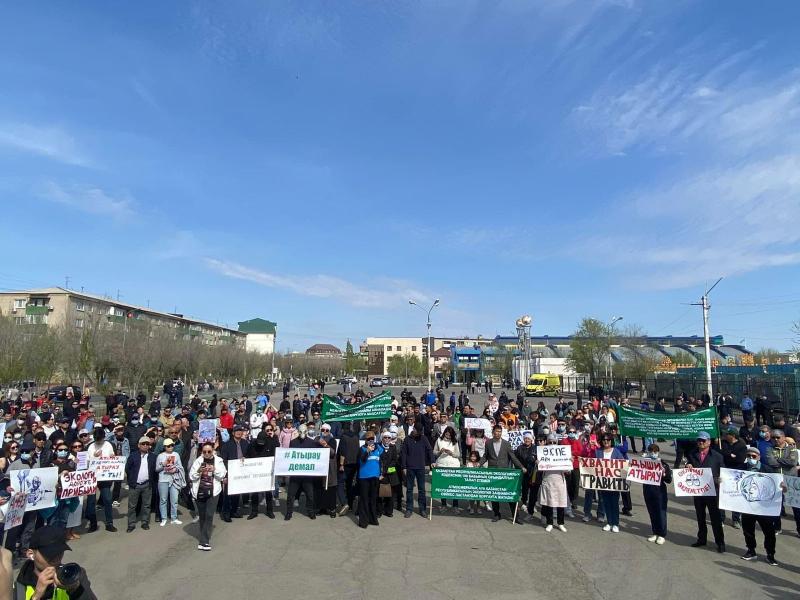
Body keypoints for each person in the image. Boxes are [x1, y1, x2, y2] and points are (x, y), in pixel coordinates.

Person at [14, 525, 97, 599]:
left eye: (60, 552)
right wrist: (36, 596)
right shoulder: (19, 588)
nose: (56, 559)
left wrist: (75, 589)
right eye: (49, 554)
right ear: (31, 554)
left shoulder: (75, 575)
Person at [739, 446, 783, 566]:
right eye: (748, 456)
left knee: (769, 532)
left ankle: (770, 555)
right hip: (747, 506)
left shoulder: (768, 470)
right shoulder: (741, 469)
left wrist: (782, 486)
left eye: (753, 456)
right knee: (748, 530)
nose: (751, 458)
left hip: (764, 508)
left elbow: (777, 486)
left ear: (759, 457)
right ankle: (751, 551)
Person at [686, 431, 725, 553]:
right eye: (699, 441)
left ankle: (720, 543)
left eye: (703, 441)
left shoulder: (717, 456)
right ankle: (702, 539)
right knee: (700, 516)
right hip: (698, 491)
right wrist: (688, 465)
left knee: (715, 519)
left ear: (709, 442)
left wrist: (720, 480)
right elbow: (689, 464)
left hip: (713, 491)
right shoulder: (692, 454)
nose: (701, 443)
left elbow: (723, 472)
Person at [480, 425, 526, 523]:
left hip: (505, 473)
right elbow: (485, 456)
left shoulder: (506, 444)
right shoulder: (488, 443)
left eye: (500, 431)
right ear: (493, 432)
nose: (498, 433)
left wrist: (521, 467)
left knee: (509, 495)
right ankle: (497, 514)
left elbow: (513, 457)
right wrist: (478, 464)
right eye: (496, 431)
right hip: (493, 472)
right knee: (494, 494)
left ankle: (515, 516)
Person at [189, 442, 226, 551]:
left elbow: (222, 475)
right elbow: (191, 476)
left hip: (213, 492)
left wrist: (214, 470)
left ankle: (204, 541)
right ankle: (203, 537)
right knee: (203, 516)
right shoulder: (198, 461)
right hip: (200, 491)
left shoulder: (218, 461)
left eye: (209, 451)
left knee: (209, 515)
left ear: (213, 451)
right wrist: (199, 471)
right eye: (204, 451)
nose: (207, 453)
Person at [84, 428, 117, 533]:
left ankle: (109, 523)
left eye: (100, 439)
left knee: (107, 499)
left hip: (104, 477)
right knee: (91, 501)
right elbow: (86, 462)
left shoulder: (108, 445)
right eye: (96, 439)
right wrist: (94, 457)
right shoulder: (90, 446)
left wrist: (113, 457)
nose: (98, 441)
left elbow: (112, 457)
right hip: (93, 476)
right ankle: (93, 523)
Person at [124, 436, 157, 533]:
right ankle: (131, 524)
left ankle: (145, 522)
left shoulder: (153, 457)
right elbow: (128, 469)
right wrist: (132, 479)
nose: (145, 445)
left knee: (146, 505)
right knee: (132, 506)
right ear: (139, 445)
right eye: (143, 444)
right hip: (135, 485)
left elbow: (154, 470)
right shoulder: (133, 456)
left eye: (147, 444)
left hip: (147, 484)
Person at [641, 443, 672, 544]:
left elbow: (669, 480)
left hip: (659, 492)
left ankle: (662, 534)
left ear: (658, 452)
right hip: (648, 490)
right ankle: (655, 532)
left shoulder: (663, 464)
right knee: (652, 512)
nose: (653, 453)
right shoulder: (645, 462)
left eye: (655, 451)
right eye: (651, 451)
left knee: (660, 512)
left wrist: (664, 473)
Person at [400, 426, 434, 518]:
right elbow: (403, 453)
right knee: (409, 489)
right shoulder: (407, 439)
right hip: (410, 468)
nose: (415, 432)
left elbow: (429, 450)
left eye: (417, 431)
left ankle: (422, 509)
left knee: (422, 489)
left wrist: (432, 461)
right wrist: (404, 466)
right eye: (414, 430)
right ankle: (409, 509)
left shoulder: (423, 438)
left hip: (420, 467)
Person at [539, 434, 568, 532]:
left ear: (557, 443)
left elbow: (568, 470)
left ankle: (561, 523)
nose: (552, 444)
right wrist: (538, 463)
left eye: (554, 442)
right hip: (548, 480)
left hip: (560, 481)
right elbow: (540, 469)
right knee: (549, 503)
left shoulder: (562, 454)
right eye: (550, 442)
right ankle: (550, 523)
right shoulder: (543, 453)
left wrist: (569, 462)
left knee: (560, 503)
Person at [595, 434, 624, 533]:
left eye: (608, 440)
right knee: (605, 502)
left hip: (614, 482)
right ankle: (609, 522)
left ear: (611, 441)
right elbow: (591, 464)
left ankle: (615, 523)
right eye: (604, 440)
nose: (606, 441)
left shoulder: (616, 452)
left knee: (614, 503)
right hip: (603, 482)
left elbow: (623, 464)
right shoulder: (598, 452)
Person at [156, 438, 185, 526]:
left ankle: (174, 518)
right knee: (163, 500)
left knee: (174, 500)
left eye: (172, 445)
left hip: (174, 479)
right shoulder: (160, 456)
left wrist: (175, 470)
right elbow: (157, 469)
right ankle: (164, 518)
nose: (170, 447)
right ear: (164, 447)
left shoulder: (176, 454)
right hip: (163, 479)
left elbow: (180, 467)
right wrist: (163, 465)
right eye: (168, 446)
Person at [357, 434, 383, 528]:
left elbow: (381, 460)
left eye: (372, 439)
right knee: (364, 499)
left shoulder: (378, 448)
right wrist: (367, 451)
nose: (370, 441)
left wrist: (381, 473)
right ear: (365, 440)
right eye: (368, 439)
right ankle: (363, 521)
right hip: (364, 477)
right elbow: (361, 461)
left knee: (373, 499)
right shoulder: (362, 449)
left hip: (375, 476)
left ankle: (372, 519)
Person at [434, 426, 461, 512]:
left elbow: (458, 454)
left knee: (454, 486)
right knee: (443, 486)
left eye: (450, 434)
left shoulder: (455, 442)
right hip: (442, 465)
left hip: (453, 466)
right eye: (446, 434)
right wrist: (440, 452)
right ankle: (443, 505)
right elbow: (434, 452)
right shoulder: (439, 440)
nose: (448, 436)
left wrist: (451, 453)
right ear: (444, 433)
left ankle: (455, 506)